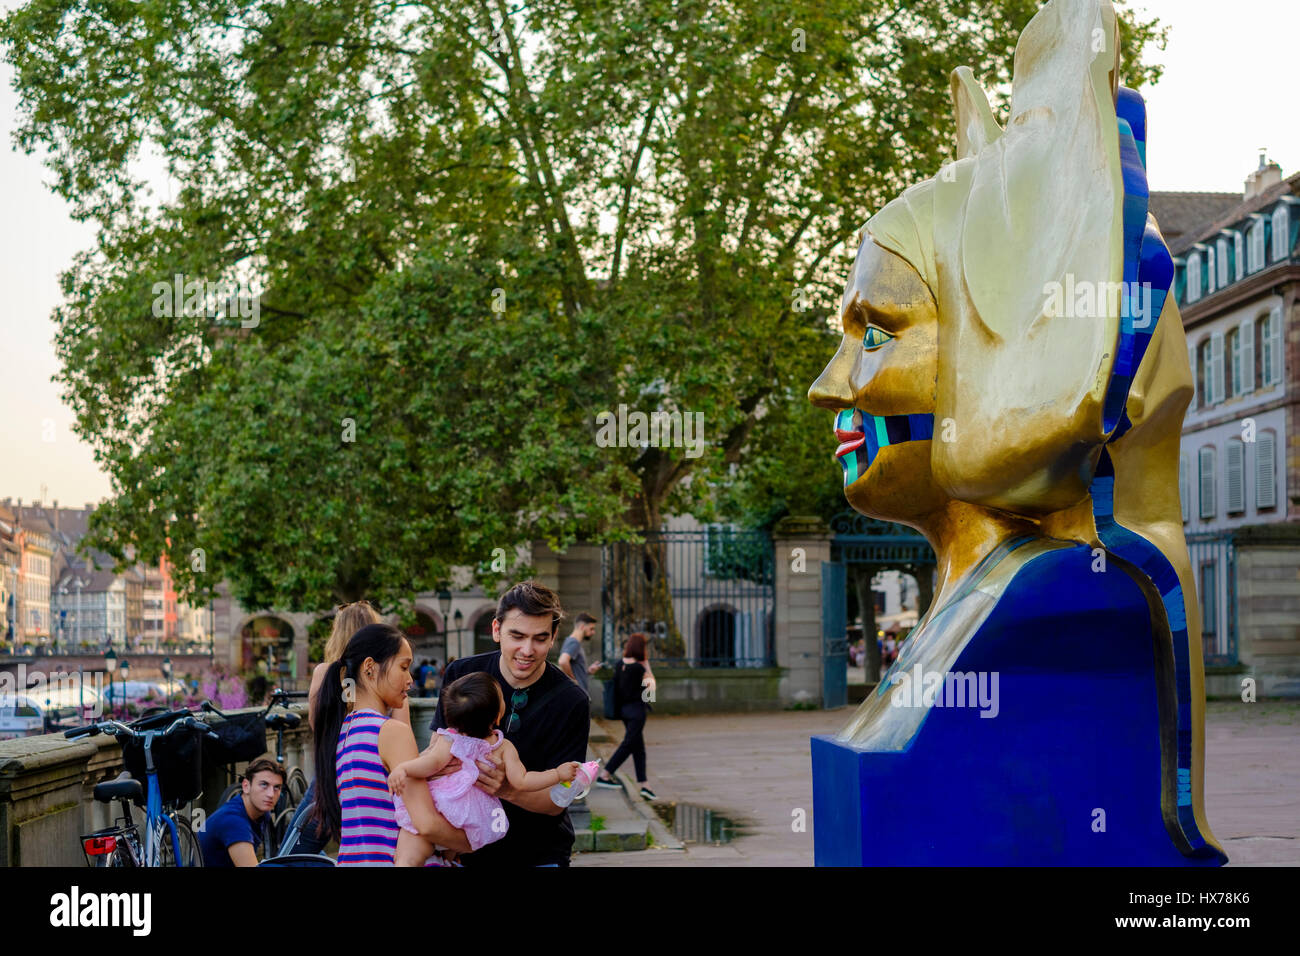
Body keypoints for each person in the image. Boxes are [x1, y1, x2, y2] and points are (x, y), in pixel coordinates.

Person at [431, 580, 590, 867]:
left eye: (540, 639)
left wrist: (507, 788)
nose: (527, 650)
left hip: (538, 853)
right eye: (517, 635)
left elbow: (559, 800)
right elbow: (436, 752)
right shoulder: (461, 674)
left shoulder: (573, 701)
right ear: (496, 630)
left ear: (554, 638)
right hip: (461, 851)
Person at [311, 622, 471, 865]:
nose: (410, 680)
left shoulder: (344, 730)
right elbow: (425, 823)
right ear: (370, 667)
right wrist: (473, 840)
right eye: (404, 667)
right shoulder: (391, 732)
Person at [389, 672, 582, 866]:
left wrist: (403, 769)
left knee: (407, 857)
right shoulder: (502, 747)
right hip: (470, 820)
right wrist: (557, 774)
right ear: (498, 716)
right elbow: (523, 781)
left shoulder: (449, 739)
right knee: (448, 857)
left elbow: (431, 763)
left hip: (441, 808)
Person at [594, 633, 657, 800]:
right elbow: (651, 690)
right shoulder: (639, 668)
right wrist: (647, 665)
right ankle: (605, 774)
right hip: (637, 712)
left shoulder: (619, 664)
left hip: (624, 712)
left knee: (638, 748)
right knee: (629, 744)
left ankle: (645, 785)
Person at [198, 757, 284, 867]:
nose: (271, 794)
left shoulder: (262, 813)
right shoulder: (234, 821)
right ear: (246, 786)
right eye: (264, 785)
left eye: (277, 787)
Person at [557, 611, 600, 697]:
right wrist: (573, 681)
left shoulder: (572, 641)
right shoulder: (574, 642)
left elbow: (572, 667)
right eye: (591, 628)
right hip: (577, 694)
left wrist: (588, 671)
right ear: (582, 627)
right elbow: (562, 661)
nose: (593, 632)